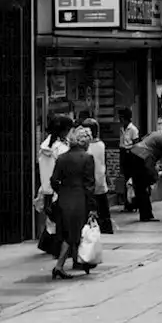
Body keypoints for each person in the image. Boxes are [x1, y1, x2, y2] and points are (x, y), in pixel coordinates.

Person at [49, 125, 96, 280]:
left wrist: (62, 190)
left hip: (64, 197)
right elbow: (89, 184)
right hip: (79, 198)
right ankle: (60, 266)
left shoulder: (62, 158)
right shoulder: (87, 158)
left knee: (65, 232)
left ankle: (77, 261)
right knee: (74, 233)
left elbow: (54, 180)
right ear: (85, 142)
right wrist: (92, 206)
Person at [125, 122, 162, 224]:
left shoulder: (156, 134)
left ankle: (144, 213)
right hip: (142, 157)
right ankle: (146, 215)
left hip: (132, 153)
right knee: (144, 187)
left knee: (139, 187)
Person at [36, 115, 73, 254]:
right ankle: (59, 251)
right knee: (59, 223)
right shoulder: (55, 149)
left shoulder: (51, 145)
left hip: (54, 189)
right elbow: (52, 174)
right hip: (57, 190)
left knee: (54, 222)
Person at [83, 118, 113, 235]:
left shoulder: (87, 148)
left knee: (90, 208)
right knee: (103, 208)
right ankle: (106, 228)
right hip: (100, 181)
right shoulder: (101, 144)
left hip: (89, 182)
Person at [118, 107, 139, 211]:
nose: (119, 120)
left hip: (130, 154)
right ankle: (127, 204)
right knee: (125, 180)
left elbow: (136, 144)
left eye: (121, 118)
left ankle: (133, 204)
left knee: (132, 181)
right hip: (124, 154)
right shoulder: (122, 129)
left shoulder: (133, 129)